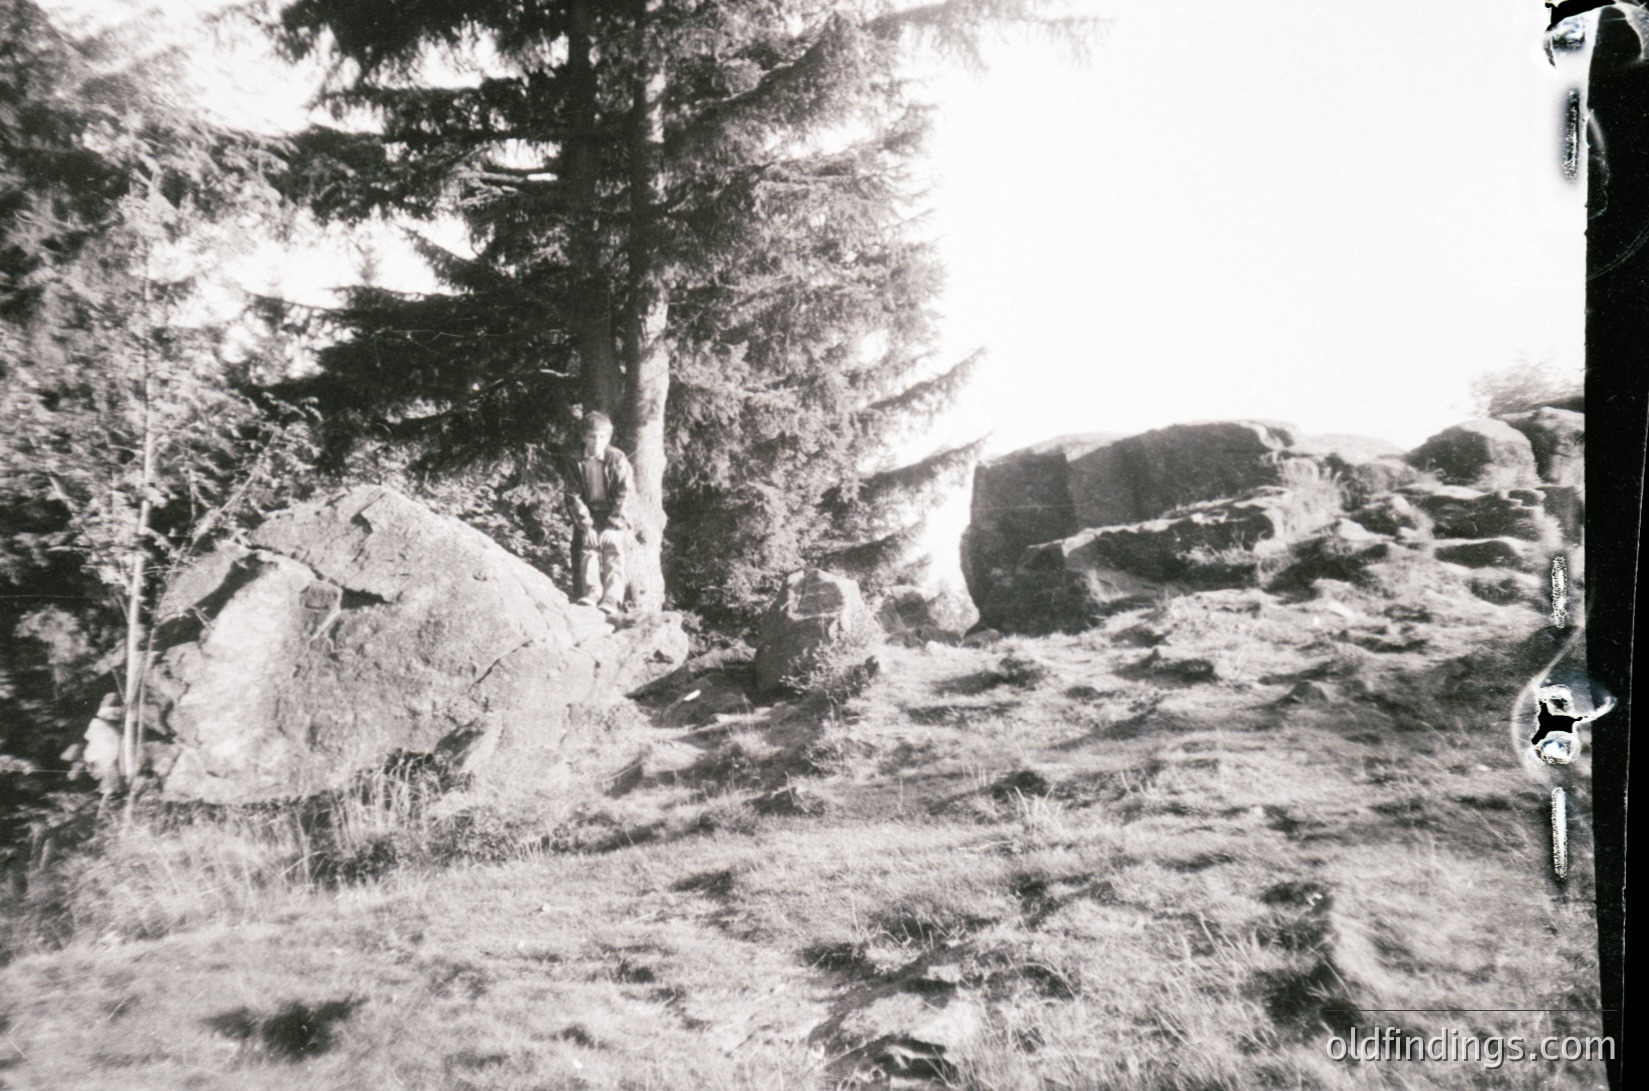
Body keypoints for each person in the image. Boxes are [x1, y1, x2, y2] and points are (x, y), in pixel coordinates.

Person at [563, 411, 633, 613]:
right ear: (584, 437)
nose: (597, 442)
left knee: (613, 548)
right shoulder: (575, 460)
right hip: (589, 513)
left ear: (608, 438)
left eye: (602, 437)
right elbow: (572, 495)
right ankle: (592, 592)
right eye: (592, 436)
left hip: (614, 512)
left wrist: (614, 525)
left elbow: (625, 493)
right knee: (589, 546)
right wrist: (586, 527)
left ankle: (612, 598)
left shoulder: (617, 458)